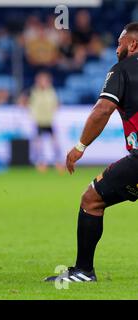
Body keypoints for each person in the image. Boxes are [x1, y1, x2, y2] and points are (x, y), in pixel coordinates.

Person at [45, 23, 138, 283]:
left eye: (120, 43)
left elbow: (102, 110)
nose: (116, 48)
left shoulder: (122, 70)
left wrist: (80, 146)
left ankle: (84, 271)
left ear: (133, 45)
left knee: (92, 200)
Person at [28, 71, 63, 172]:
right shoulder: (34, 91)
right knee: (38, 145)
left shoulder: (51, 91)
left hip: (49, 121)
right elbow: (30, 103)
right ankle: (41, 163)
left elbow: (56, 104)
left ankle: (58, 162)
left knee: (55, 143)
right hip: (39, 121)